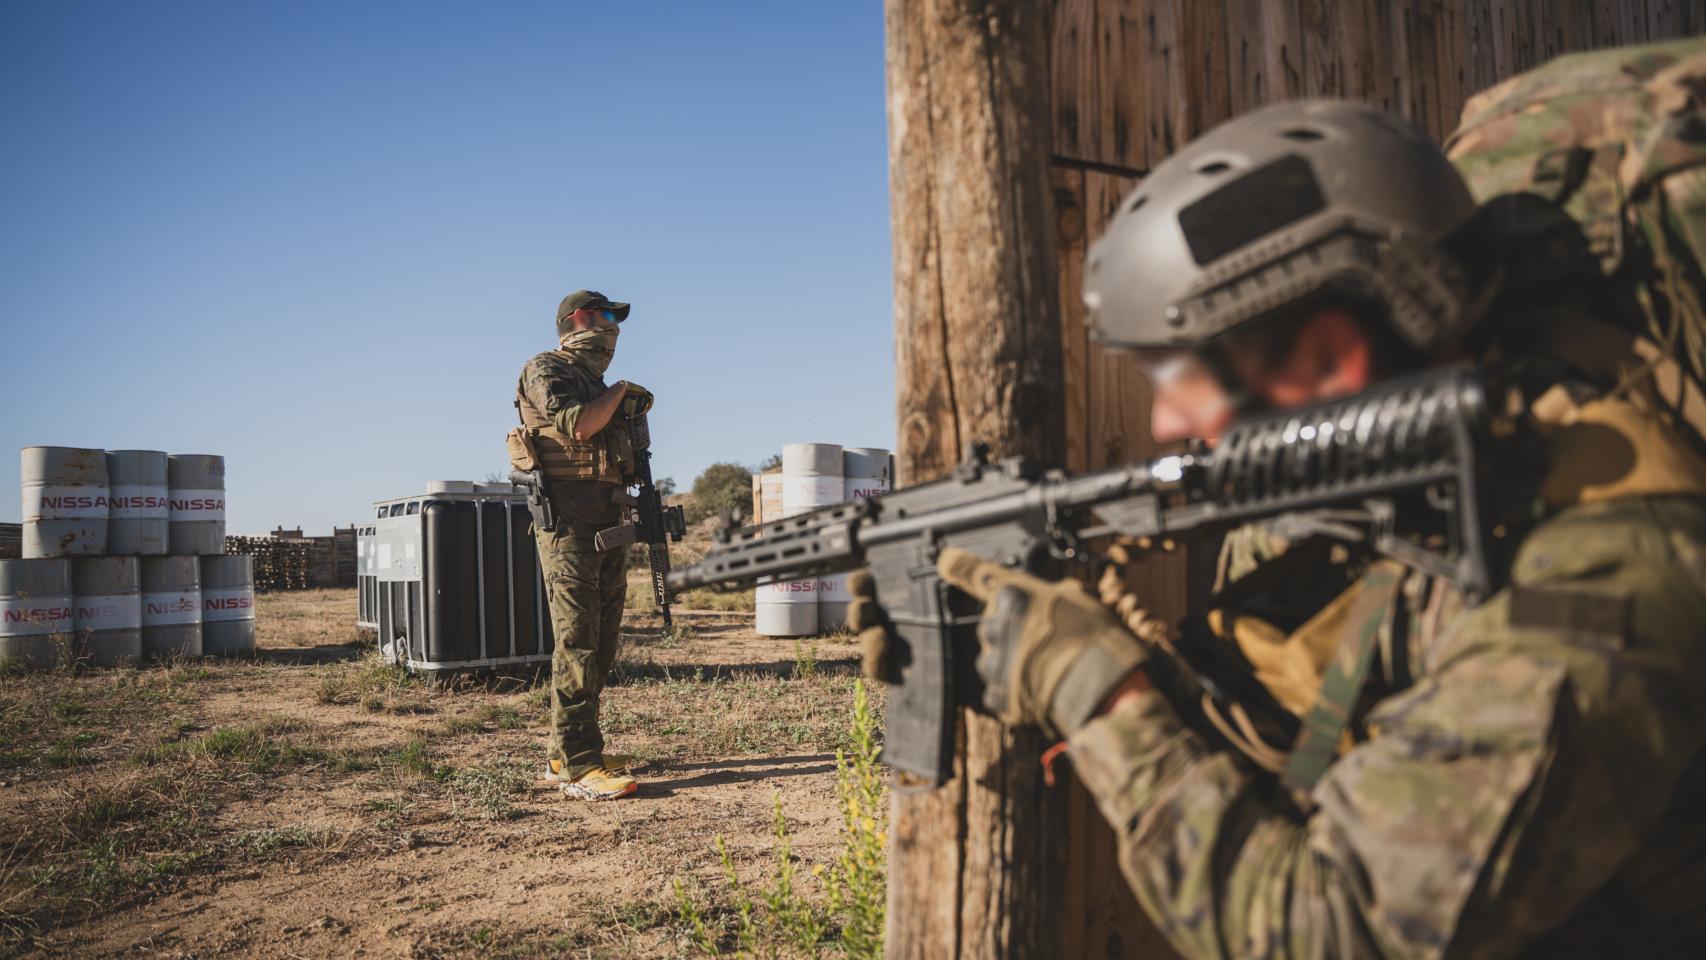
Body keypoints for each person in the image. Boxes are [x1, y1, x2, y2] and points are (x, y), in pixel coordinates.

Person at [856, 99, 1706, 956]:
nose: (1162, 422)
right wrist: (1093, 649)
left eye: (1181, 372)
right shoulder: (1396, 478)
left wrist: (1099, 691)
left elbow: (1331, 928)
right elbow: (1295, 741)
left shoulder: (1594, 568)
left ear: (1330, 357)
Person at [512, 290, 653, 800]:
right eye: (607, 317)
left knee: (604, 643)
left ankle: (565, 751)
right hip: (567, 526)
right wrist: (618, 392)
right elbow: (578, 424)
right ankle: (579, 766)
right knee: (578, 641)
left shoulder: (595, 384)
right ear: (578, 321)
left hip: (607, 523)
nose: (614, 328)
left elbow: (617, 461)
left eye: (618, 318)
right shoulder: (546, 368)